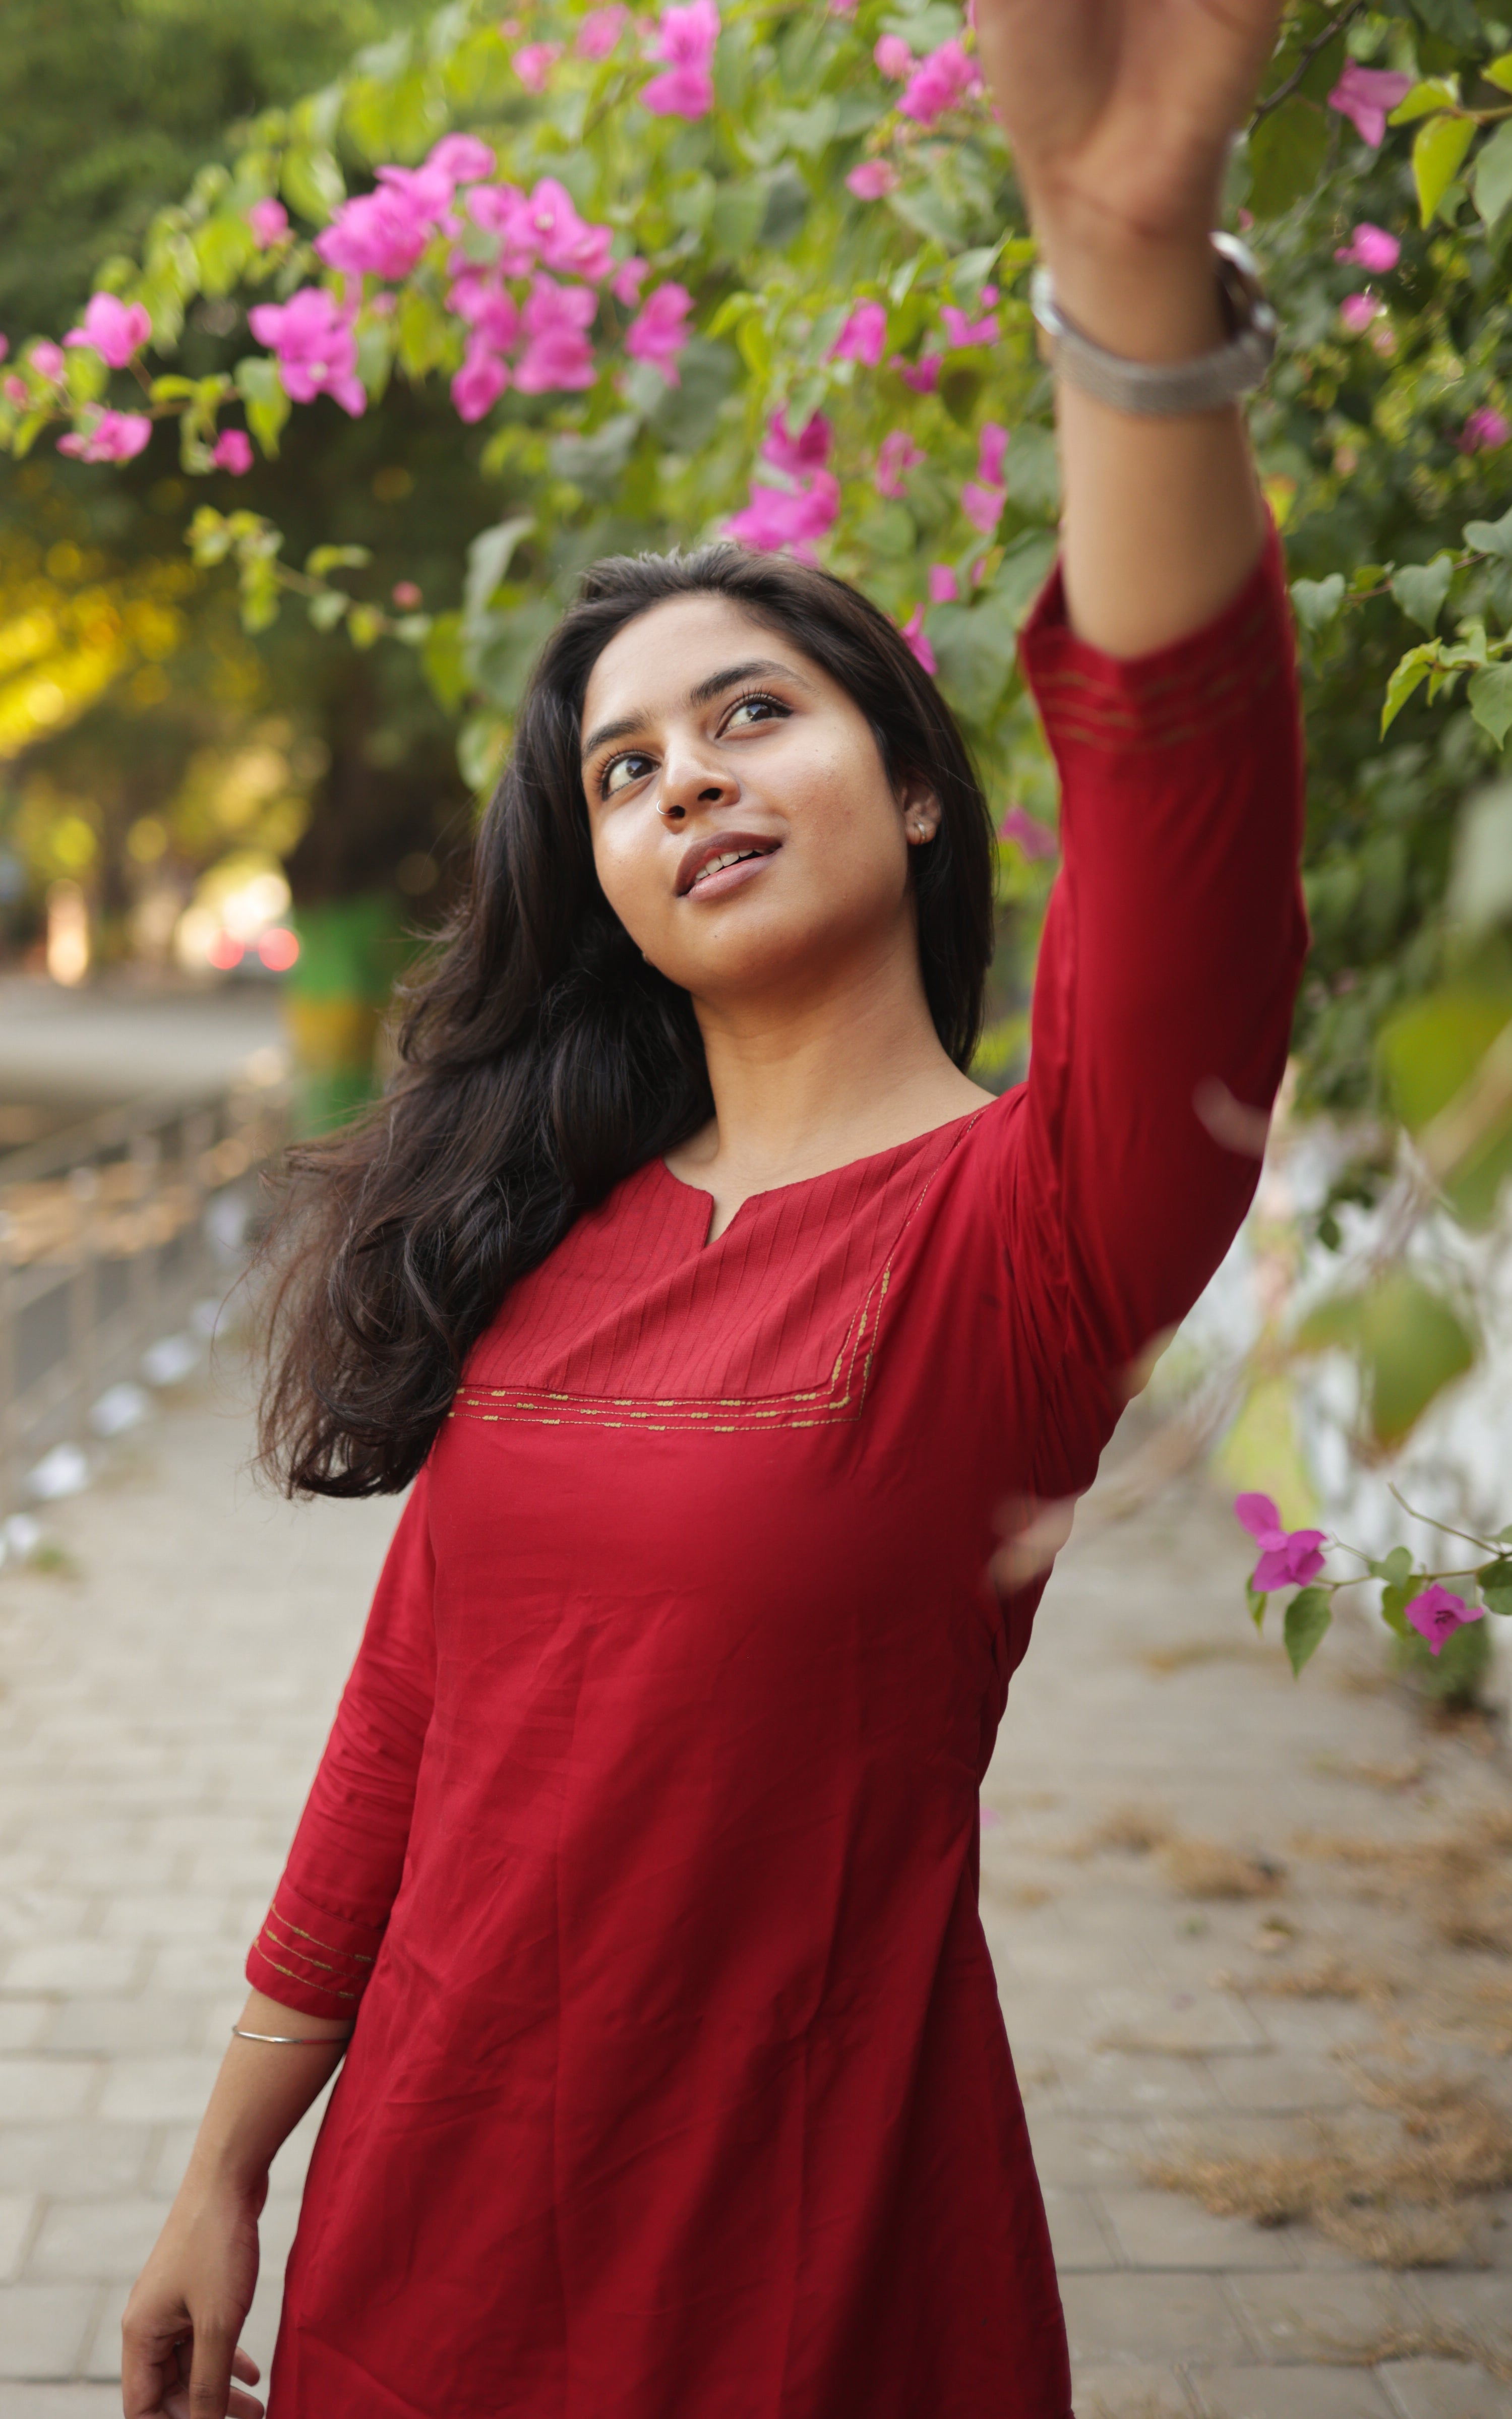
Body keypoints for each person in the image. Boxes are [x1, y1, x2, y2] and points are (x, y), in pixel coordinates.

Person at [124, 1, 1304, 2412]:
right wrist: (229, 2166)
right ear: (607, 887)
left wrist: (1126, 277)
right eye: (627, 772)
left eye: (753, 714)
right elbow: (411, 1728)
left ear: (923, 787)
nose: (688, 786)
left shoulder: (1030, 1229)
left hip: (800, 2277)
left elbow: (1193, 803)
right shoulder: (556, 1232)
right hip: (417, 2260)